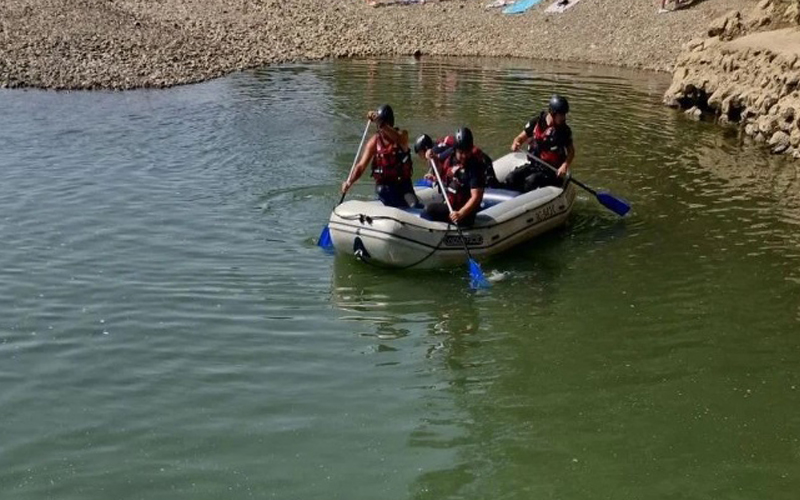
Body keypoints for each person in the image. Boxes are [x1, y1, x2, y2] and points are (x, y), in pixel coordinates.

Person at [342, 104, 419, 208]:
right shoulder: (374, 142)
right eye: (379, 125)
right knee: (382, 190)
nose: (380, 128)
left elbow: (398, 138)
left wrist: (381, 123)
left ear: (389, 123)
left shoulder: (402, 136)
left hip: (404, 185)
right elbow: (360, 166)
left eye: (382, 124)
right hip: (385, 186)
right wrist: (349, 182)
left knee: (414, 205)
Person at [508, 94, 575, 192]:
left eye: (564, 114)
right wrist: (516, 143)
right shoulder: (536, 122)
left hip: (552, 171)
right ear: (552, 113)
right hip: (535, 165)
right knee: (511, 178)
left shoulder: (564, 131)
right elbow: (520, 138)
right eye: (561, 114)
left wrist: (564, 166)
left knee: (530, 181)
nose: (564, 117)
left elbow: (571, 152)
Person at [423, 127, 486, 226]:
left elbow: (476, 197)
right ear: (455, 149)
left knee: (429, 210)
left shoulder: (475, 166)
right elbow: (440, 171)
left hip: (465, 213)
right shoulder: (451, 155)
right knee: (428, 210)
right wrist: (432, 157)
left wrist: (461, 213)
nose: (464, 155)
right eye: (461, 152)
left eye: (467, 152)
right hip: (451, 205)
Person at [414, 133, 498, 188]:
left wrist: (438, 157)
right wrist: (435, 176)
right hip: (481, 160)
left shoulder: (434, 154)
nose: (420, 156)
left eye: (420, 153)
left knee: (492, 185)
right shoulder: (438, 146)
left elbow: (452, 152)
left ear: (425, 149)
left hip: (481, 164)